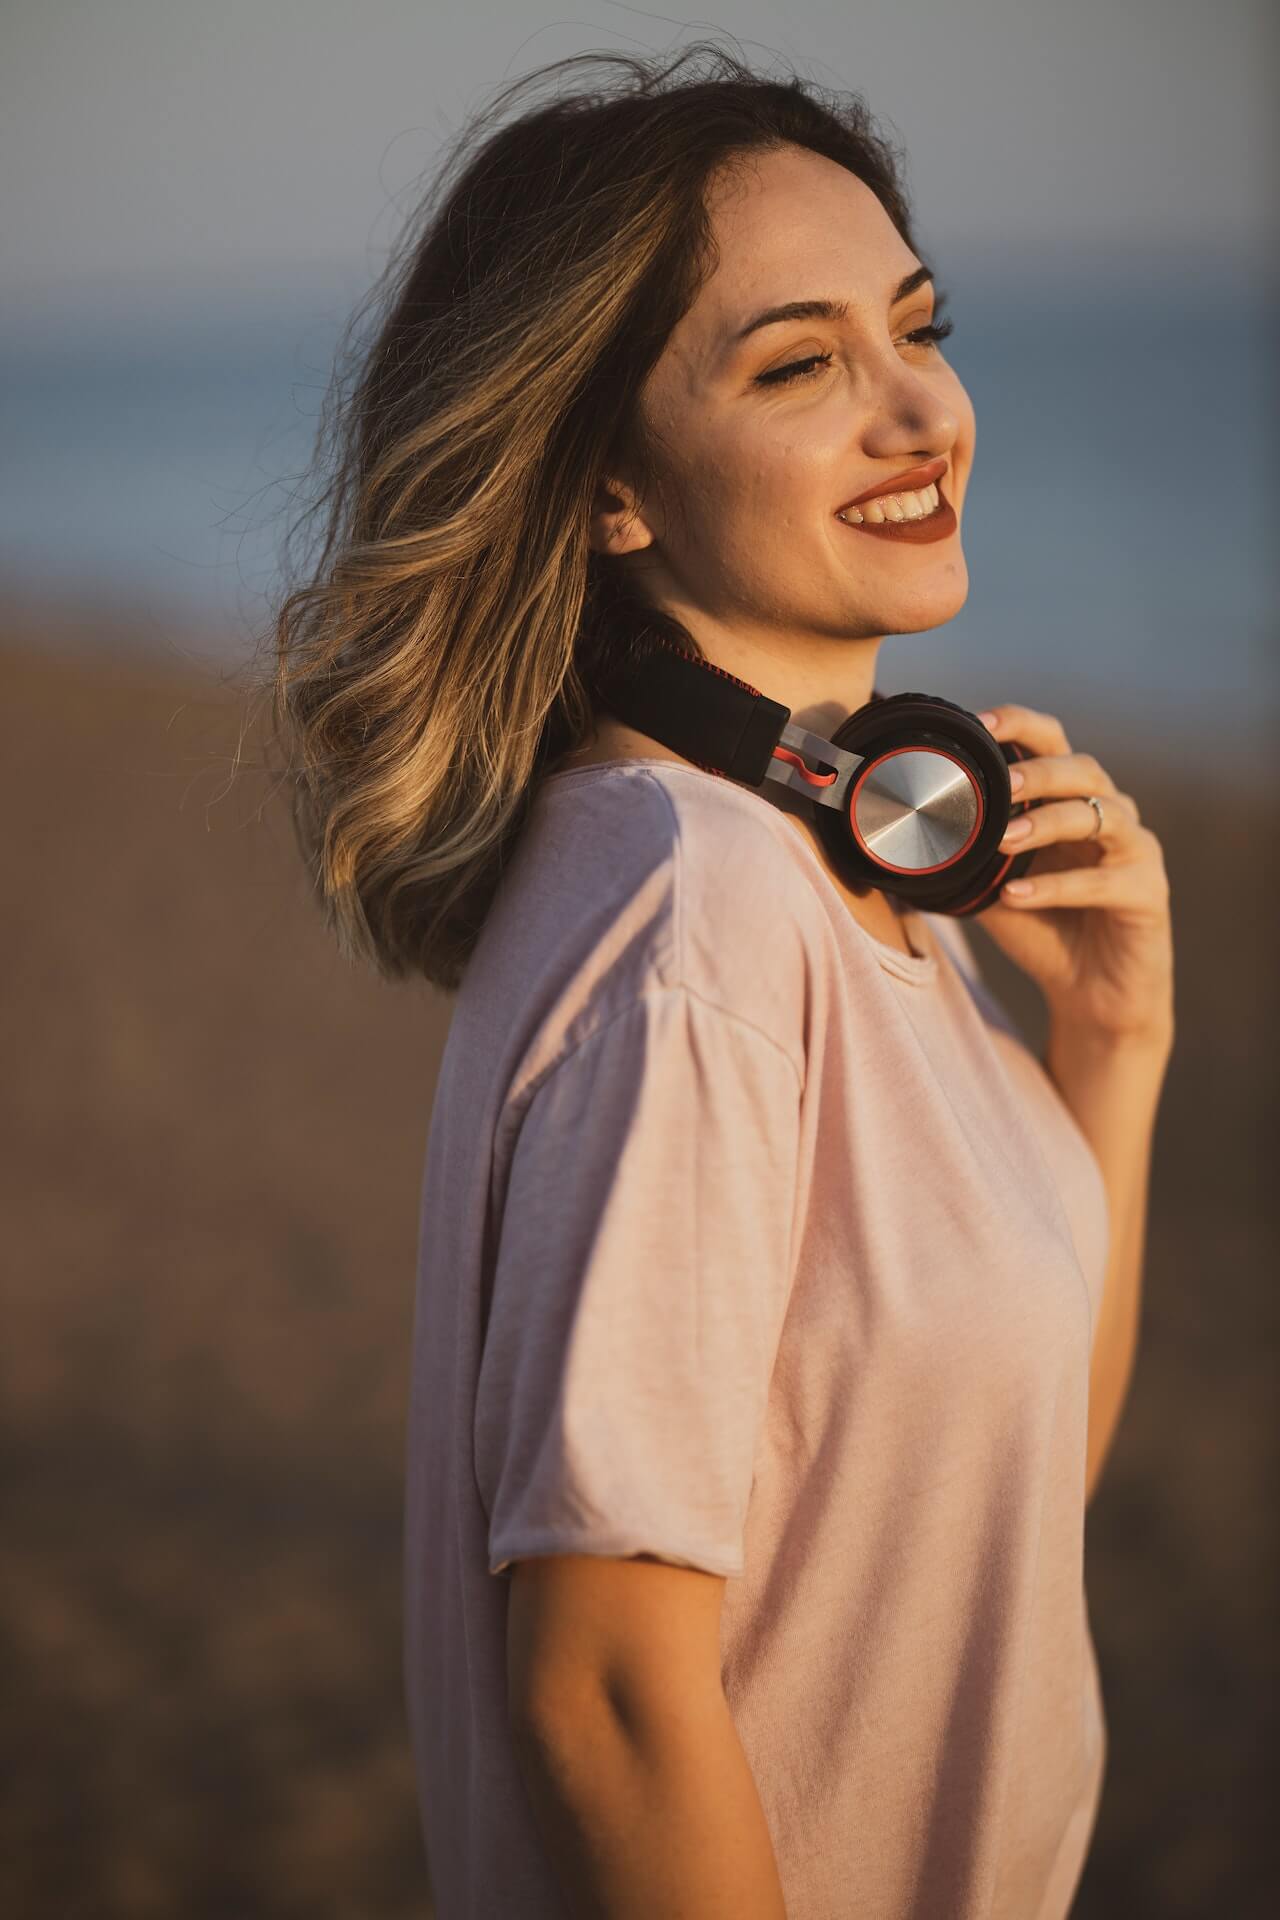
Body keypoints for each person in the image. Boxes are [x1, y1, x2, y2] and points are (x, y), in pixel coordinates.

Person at [266, 41, 1175, 1920]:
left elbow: (987, 1509)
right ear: (612, 492)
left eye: (916, 329)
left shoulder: (823, 859)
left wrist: (1109, 1045)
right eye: (800, 365)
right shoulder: (699, 921)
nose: (922, 410)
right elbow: (603, 1695)